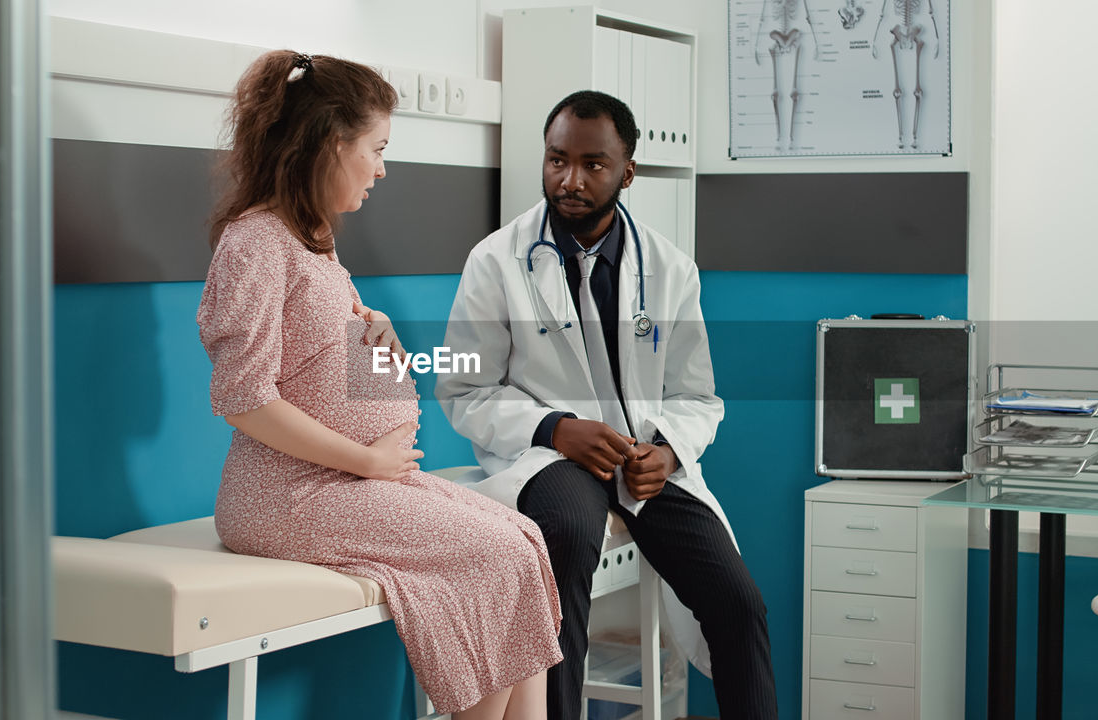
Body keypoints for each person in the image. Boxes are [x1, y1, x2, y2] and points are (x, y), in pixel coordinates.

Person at [197, 50, 561, 719]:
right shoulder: (254, 244)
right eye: (377, 148)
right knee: (493, 556)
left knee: (523, 540)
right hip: (288, 494)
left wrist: (378, 346)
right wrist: (368, 459)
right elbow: (244, 400)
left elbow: (323, 380)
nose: (383, 168)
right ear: (332, 144)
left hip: (347, 482)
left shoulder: (313, 241)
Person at [437, 91, 777, 719]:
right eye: (556, 160)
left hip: (644, 460)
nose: (570, 180)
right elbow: (464, 387)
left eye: (593, 164)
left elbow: (697, 395)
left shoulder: (670, 269)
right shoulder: (495, 262)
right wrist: (555, 427)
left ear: (628, 171)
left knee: (738, 602)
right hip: (548, 457)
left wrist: (668, 449)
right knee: (563, 539)